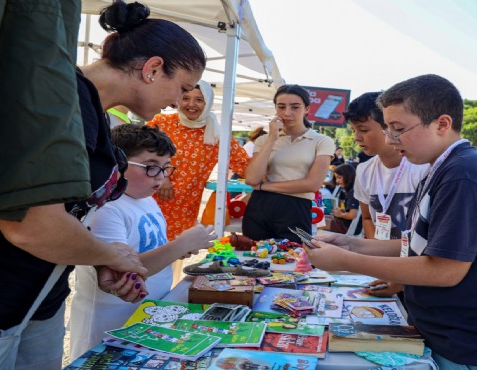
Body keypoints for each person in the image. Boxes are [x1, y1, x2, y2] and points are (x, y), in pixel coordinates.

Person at [0, 0, 207, 367]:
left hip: (38, 303)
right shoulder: (61, 102)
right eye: (183, 87)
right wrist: (110, 255)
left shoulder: (92, 112)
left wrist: (98, 262)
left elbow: (67, 213)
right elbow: (30, 225)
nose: (179, 101)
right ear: (154, 69)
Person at [306, 74, 477, 370]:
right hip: (448, 328)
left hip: (471, 339)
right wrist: (352, 243)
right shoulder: (441, 167)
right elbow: (417, 245)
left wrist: (347, 260)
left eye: (399, 129)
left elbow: (445, 270)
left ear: (442, 124)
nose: (390, 139)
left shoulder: (462, 174)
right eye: (387, 129)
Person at [70, 124, 218, 359]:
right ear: (118, 162)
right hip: (109, 319)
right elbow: (121, 271)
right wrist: (179, 245)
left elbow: (145, 249)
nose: (160, 177)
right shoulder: (107, 208)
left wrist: (177, 249)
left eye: (165, 168)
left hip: (146, 311)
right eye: (150, 168)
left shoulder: (145, 199)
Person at [147, 80, 250, 241]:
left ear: (207, 103)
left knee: (173, 256)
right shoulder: (161, 123)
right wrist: (162, 175)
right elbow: (139, 151)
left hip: (184, 211)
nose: (191, 104)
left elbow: (245, 166)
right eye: (186, 98)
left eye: (199, 100)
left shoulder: (217, 135)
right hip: (149, 201)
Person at [243, 84, 335, 242]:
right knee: (252, 260)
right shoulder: (264, 140)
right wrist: (272, 139)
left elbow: (312, 184)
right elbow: (252, 179)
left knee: (293, 261)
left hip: (297, 208)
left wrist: (264, 187)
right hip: (260, 206)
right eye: (281, 107)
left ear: (307, 109)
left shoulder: (321, 141)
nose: (287, 113)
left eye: (295, 107)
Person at [346, 92, 428, 241]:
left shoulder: (423, 168)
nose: (356, 137)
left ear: (390, 126)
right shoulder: (364, 170)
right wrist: (376, 251)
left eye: (363, 130)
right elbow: (367, 218)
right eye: (353, 130)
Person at [324, 164, 359, 234]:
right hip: (346, 224)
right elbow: (356, 209)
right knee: (322, 219)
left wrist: (340, 214)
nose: (336, 181)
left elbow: (352, 215)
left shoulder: (353, 192)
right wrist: (343, 210)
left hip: (347, 227)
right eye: (336, 178)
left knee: (317, 222)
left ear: (348, 177)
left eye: (339, 177)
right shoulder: (353, 190)